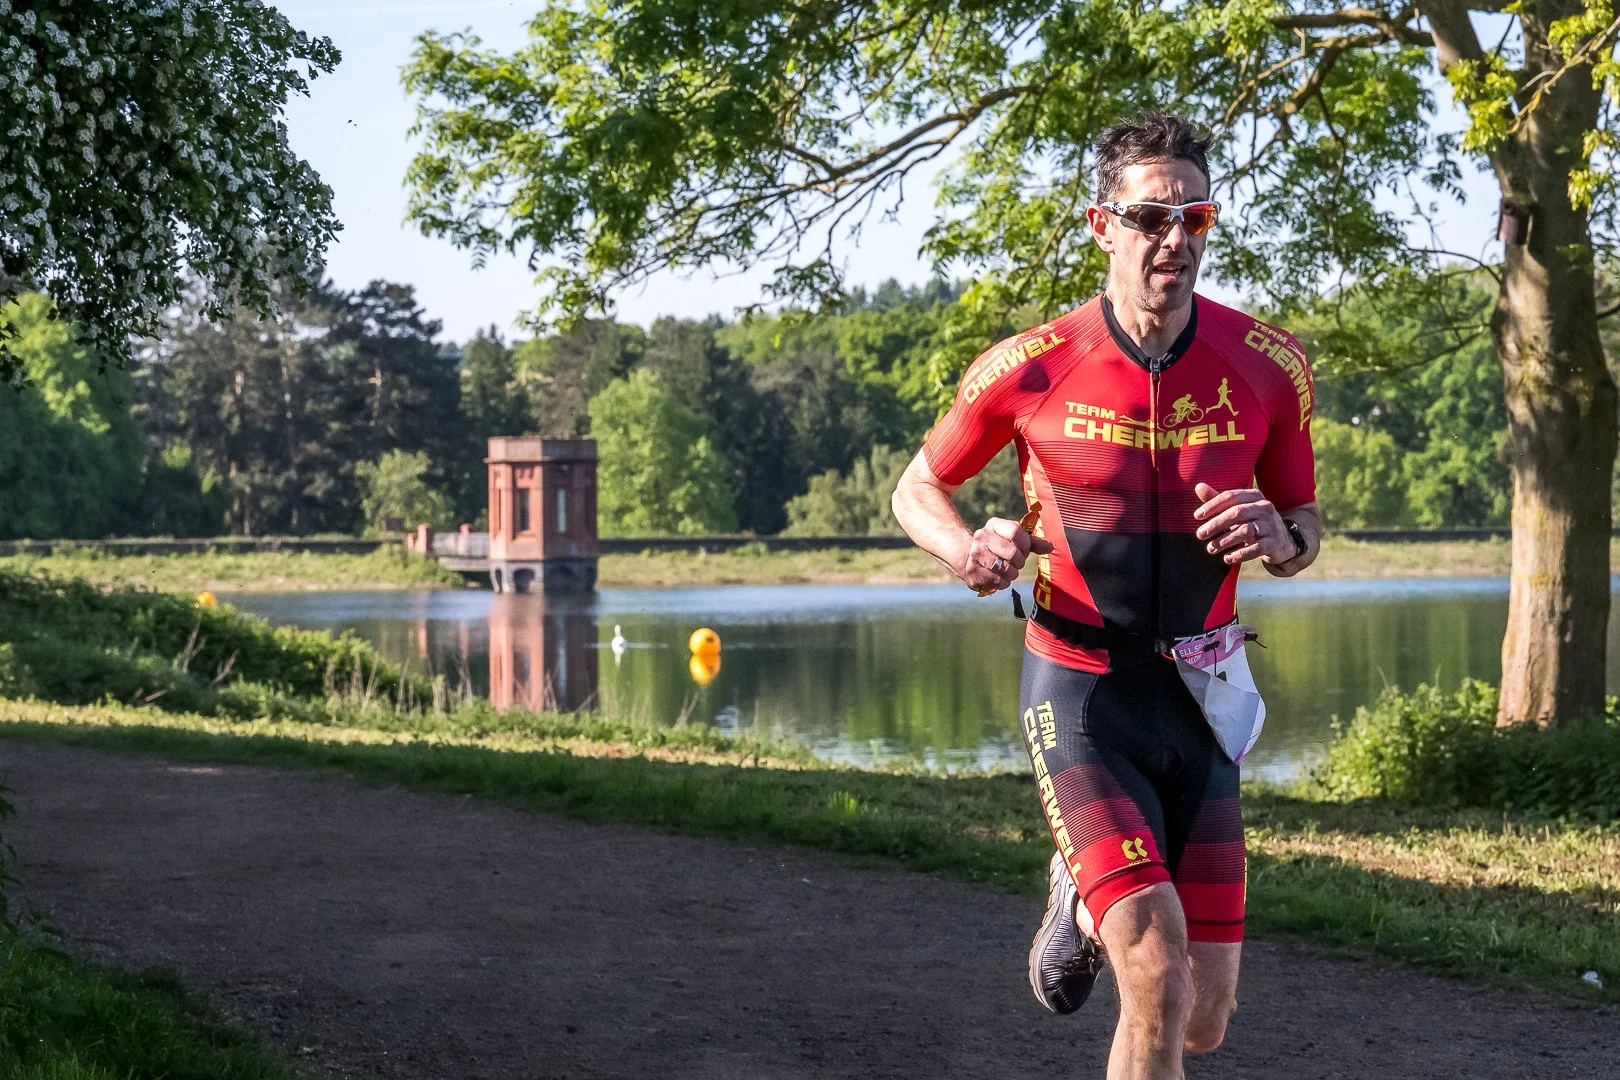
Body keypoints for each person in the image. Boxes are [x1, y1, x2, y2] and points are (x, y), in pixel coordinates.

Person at [891, 112, 1321, 1080]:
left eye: (1195, 218)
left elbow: (1304, 520)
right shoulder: (1032, 366)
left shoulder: (1268, 364)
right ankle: (1095, 896)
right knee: (1157, 974)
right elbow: (917, 488)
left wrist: (1284, 537)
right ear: (1100, 225)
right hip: (1081, 692)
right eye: (1151, 217)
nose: (1175, 238)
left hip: (1204, 696)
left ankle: (1080, 901)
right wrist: (967, 550)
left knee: (1202, 1015)